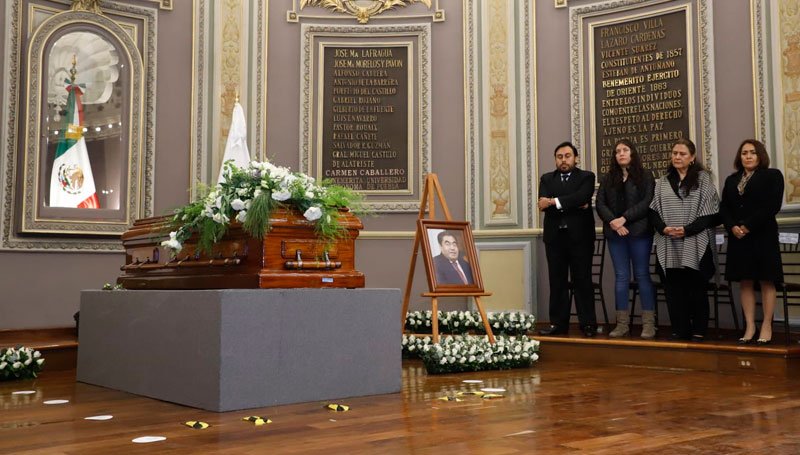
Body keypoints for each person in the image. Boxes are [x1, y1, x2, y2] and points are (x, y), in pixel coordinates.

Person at [649, 138, 719, 341]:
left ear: (692, 158)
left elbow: (711, 212)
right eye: (674, 153)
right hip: (668, 242)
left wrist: (687, 230)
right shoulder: (662, 181)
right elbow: (653, 210)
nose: (677, 157)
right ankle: (680, 329)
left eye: (682, 154)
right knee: (673, 290)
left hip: (695, 241)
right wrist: (663, 228)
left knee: (696, 288)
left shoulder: (703, 179)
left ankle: (698, 329)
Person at [720, 139, 784, 345]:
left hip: (762, 235)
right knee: (745, 280)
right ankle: (750, 325)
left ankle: (766, 324)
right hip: (738, 238)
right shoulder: (732, 180)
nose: (748, 156)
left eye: (752, 152)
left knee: (766, 279)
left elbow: (772, 205)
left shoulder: (772, 176)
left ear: (760, 155)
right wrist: (732, 227)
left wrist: (747, 225)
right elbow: (725, 208)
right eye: (744, 153)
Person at [596, 139, 657, 338]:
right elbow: (600, 203)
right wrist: (614, 221)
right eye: (617, 151)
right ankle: (622, 324)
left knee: (642, 275)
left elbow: (647, 201)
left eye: (625, 150)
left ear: (633, 153)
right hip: (615, 234)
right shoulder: (607, 178)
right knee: (621, 277)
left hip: (639, 232)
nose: (621, 153)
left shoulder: (645, 175)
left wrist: (624, 219)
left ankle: (649, 324)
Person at [538, 141, 598, 337]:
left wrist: (554, 201)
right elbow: (542, 204)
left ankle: (587, 324)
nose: (563, 160)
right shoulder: (547, 178)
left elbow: (583, 196)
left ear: (575, 158)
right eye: (559, 157)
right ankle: (558, 324)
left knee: (582, 280)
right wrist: (572, 202)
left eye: (567, 156)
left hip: (580, 238)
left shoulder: (587, 177)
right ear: (555, 159)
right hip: (555, 239)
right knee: (557, 282)